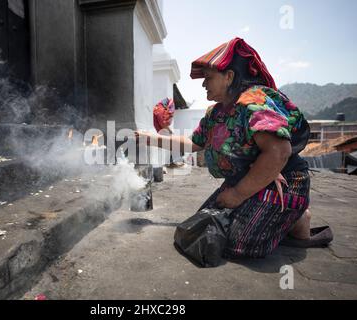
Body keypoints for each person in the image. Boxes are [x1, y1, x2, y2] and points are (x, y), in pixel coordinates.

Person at [136, 38, 333, 259]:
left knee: (238, 243)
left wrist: (238, 195)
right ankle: (268, 214)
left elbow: (279, 152)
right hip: (246, 178)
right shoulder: (215, 113)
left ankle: (297, 217)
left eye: (208, 78)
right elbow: (194, 143)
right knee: (203, 227)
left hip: (284, 179)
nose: (203, 84)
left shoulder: (254, 102)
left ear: (229, 76)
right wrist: (148, 138)